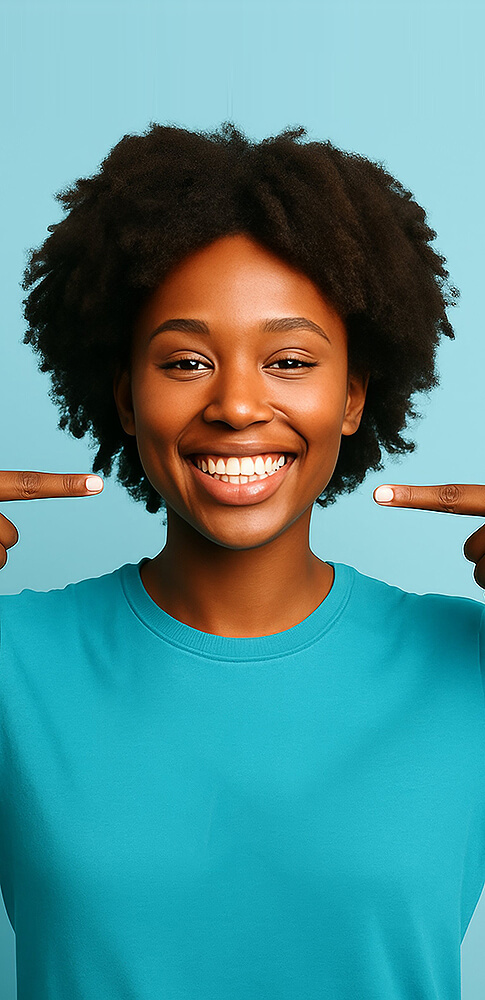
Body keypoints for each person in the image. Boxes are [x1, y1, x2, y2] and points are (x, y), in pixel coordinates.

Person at [0, 121, 484, 1000]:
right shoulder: (11, 663)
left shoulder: (470, 666)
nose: (234, 403)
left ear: (352, 397)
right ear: (123, 395)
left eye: (290, 360)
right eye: (185, 360)